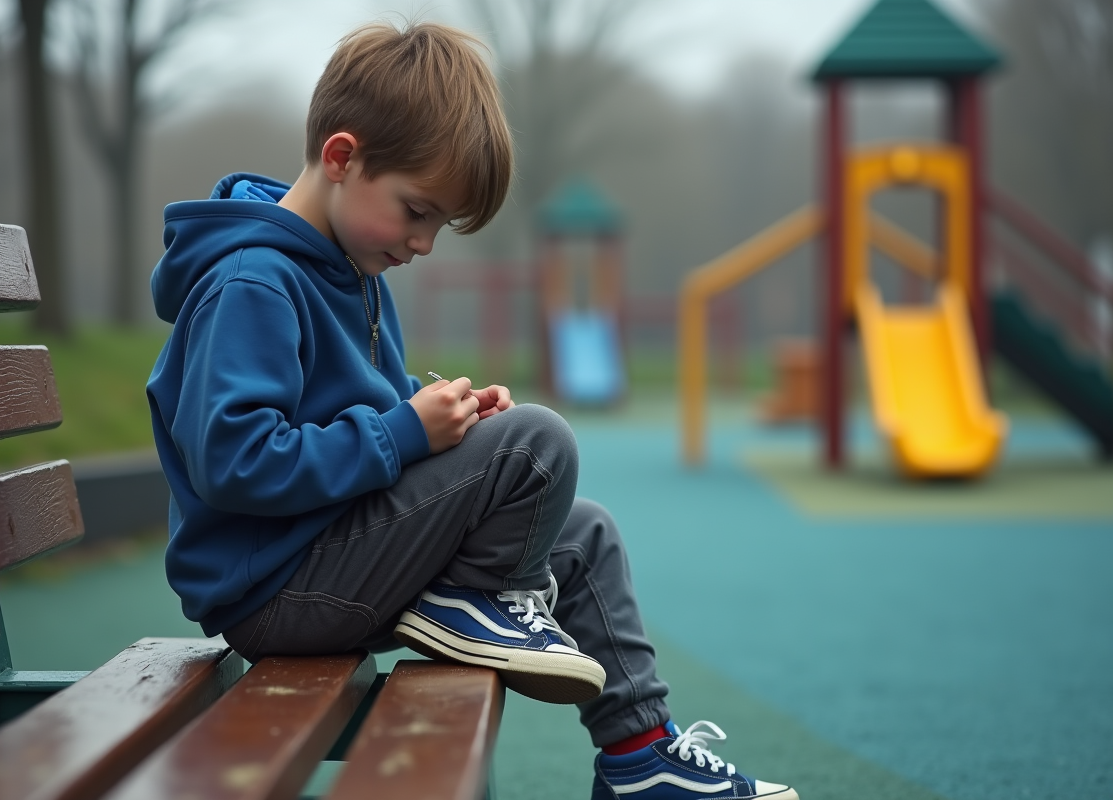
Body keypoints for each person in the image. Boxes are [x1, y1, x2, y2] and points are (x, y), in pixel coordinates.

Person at [146, 19, 798, 800]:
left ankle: (640, 757)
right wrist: (404, 432)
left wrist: (442, 415)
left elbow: (367, 407)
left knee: (582, 534)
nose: (424, 243)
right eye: (417, 211)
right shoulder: (255, 282)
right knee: (536, 444)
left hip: (334, 554)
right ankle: (475, 600)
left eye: (440, 226)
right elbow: (235, 461)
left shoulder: (349, 265)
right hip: (279, 588)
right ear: (343, 158)